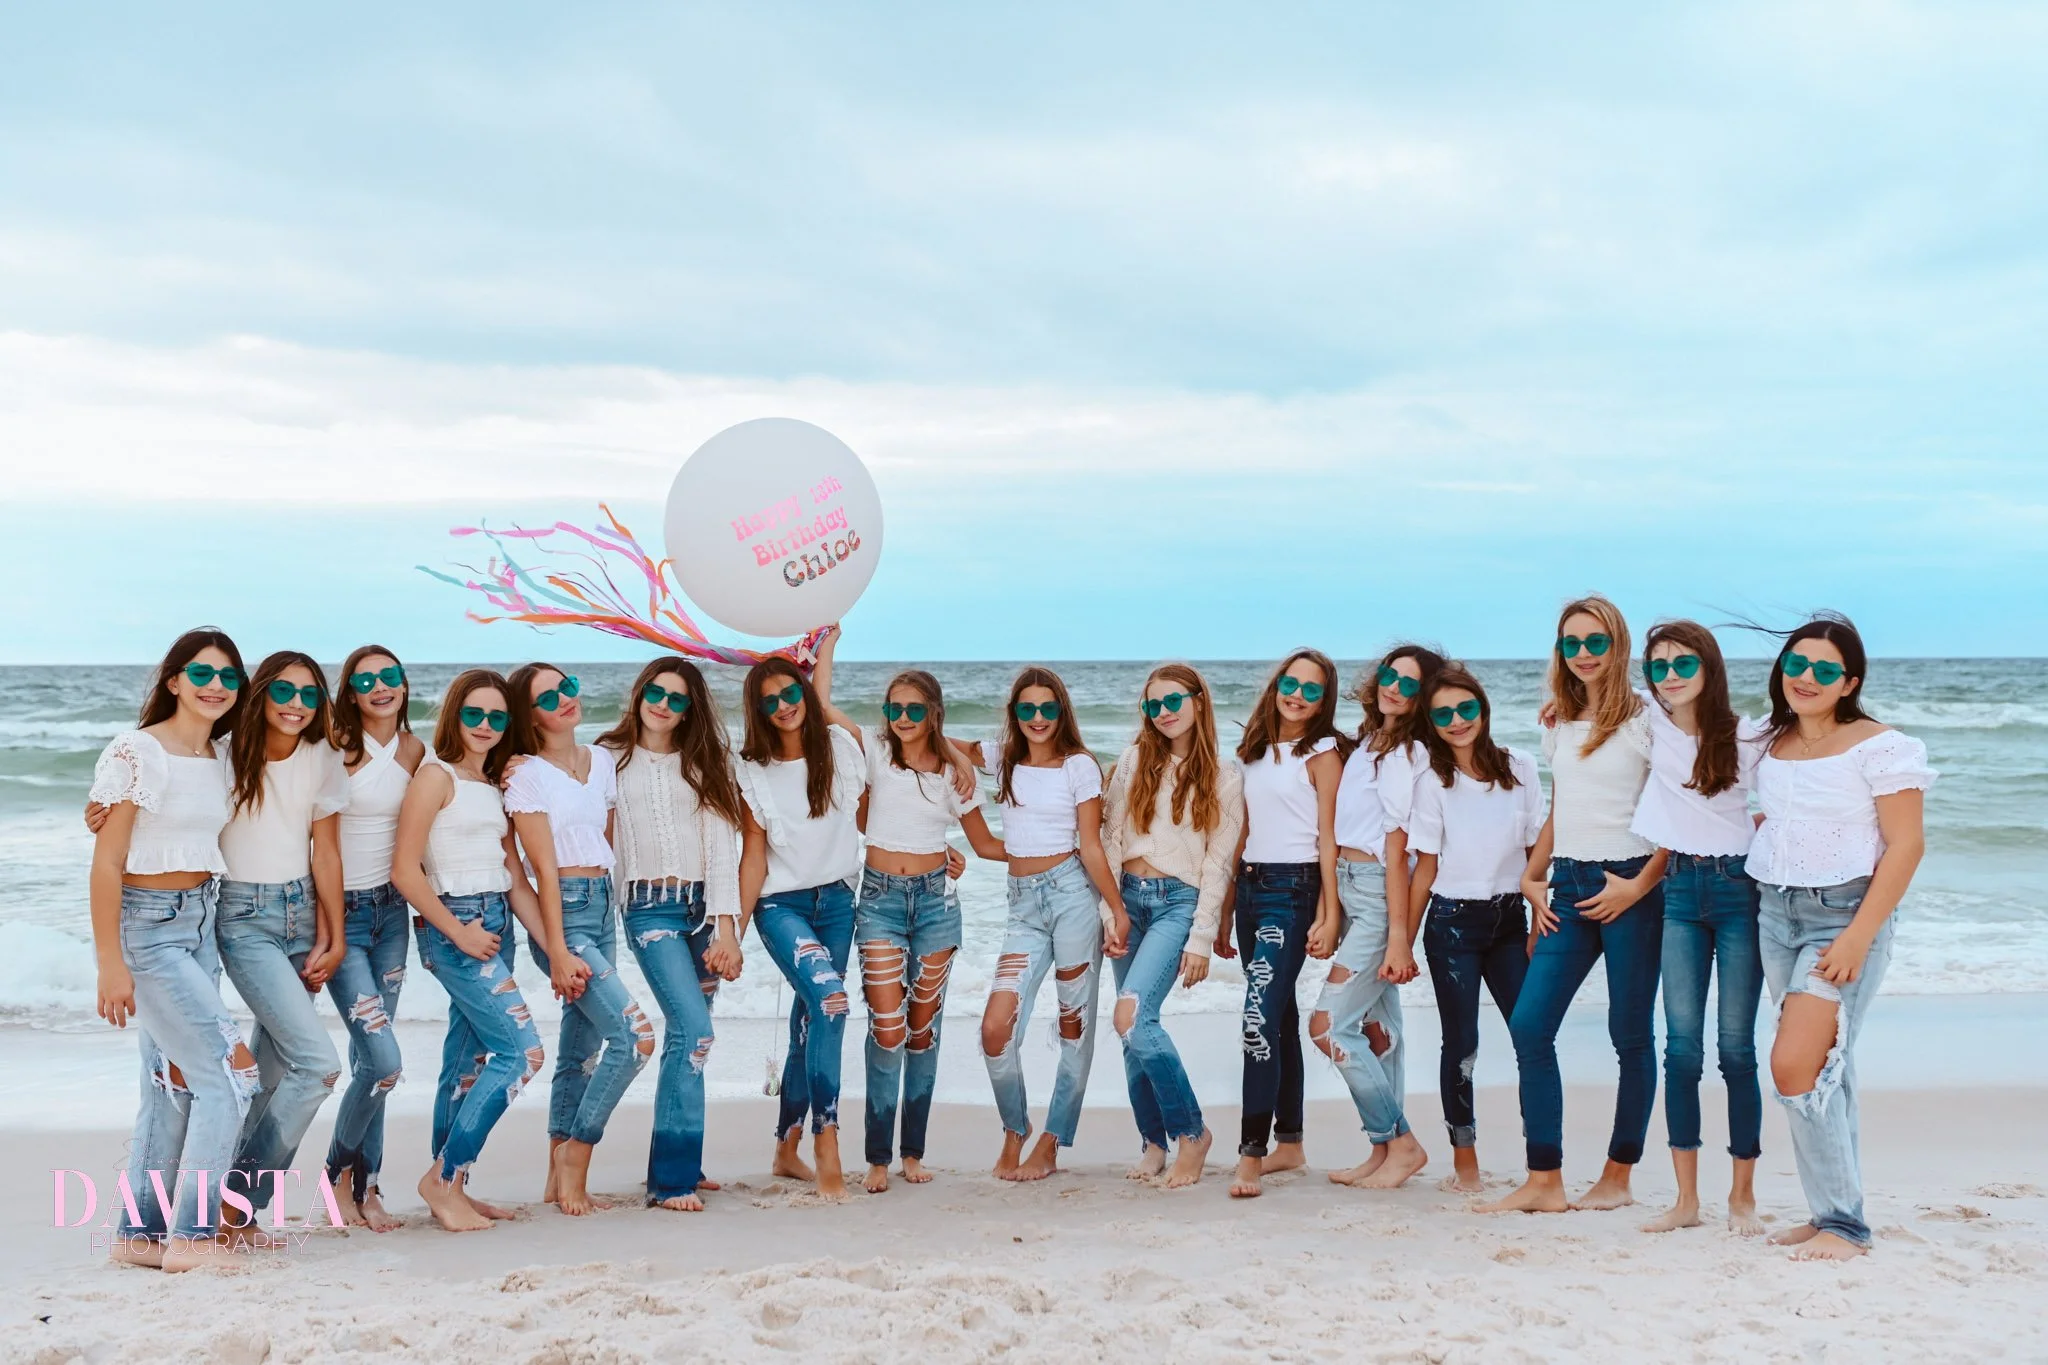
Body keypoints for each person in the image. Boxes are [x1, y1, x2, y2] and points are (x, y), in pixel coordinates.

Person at [1747, 615, 1933, 1261]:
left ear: (1849, 680)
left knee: (1796, 1063)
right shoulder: (1768, 740)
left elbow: (1907, 844)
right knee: (1830, 1068)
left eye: (1825, 669)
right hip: (1776, 915)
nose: (1807, 677)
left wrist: (1858, 935)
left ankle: (1845, 1227)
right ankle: (1834, 1212)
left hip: (1844, 919)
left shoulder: (1881, 745)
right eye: (1797, 663)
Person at [1484, 596, 1666, 1214]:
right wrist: (1532, 878)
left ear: (1619, 646)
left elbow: (1679, 814)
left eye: (1596, 642)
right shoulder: (1558, 719)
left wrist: (1639, 886)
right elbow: (1565, 805)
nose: (1584, 653)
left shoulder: (1650, 719)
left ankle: (1618, 1177)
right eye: (1572, 643)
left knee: (1630, 1035)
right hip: (1569, 881)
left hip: (1631, 883)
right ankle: (1545, 1179)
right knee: (1530, 1025)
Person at [88, 629, 258, 1271]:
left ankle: (141, 1234)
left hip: (199, 921)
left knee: (171, 1083)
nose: (216, 685)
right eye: (202, 672)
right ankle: (193, 1237)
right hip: (147, 929)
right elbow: (106, 863)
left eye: (228, 676)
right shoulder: (136, 751)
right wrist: (111, 962)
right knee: (233, 1075)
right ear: (174, 680)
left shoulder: (221, 756)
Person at [390, 670, 553, 1232]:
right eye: (474, 714)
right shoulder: (435, 778)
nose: (485, 725)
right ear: (454, 714)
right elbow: (404, 870)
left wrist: (551, 947)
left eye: (498, 717)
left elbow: (514, 877)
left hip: (495, 924)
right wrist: (457, 934)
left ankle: (452, 1184)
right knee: (522, 1053)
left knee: (466, 1063)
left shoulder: (490, 786)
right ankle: (444, 1177)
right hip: (455, 925)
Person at [1630, 621, 1770, 1236]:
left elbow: (1799, 779)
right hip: (1680, 891)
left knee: (1736, 1052)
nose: (1671, 675)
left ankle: (1743, 1198)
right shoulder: (1647, 723)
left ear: (1709, 666)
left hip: (1741, 891)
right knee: (1680, 1051)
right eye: (1658, 666)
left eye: (1682, 662)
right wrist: (1557, 705)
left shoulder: (1749, 735)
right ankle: (1686, 1201)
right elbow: (1588, 691)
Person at [961, 666, 1125, 1182]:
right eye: (1026, 708)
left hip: (1073, 895)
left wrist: (1116, 909)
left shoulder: (1079, 766)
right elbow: (930, 740)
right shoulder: (1001, 759)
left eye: (1046, 708)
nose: (1037, 717)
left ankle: (1052, 1140)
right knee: (995, 1027)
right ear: (1014, 714)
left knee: (1074, 1027)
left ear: (1061, 712)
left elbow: (1092, 846)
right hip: (1021, 908)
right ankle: (1015, 1128)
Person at [600, 657, 747, 1212]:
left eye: (677, 698)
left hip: (703, 913)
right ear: (639, 695)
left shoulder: (706, 762)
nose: (663, 703)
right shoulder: (606, 758)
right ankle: (670, 1181)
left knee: (692, 1039)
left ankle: (680, 1156)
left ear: (690, 709)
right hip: (648, 911)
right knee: (695, 1029)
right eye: (656, 693)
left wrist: (727, 927)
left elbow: (722, 850)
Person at [505, 661, 649, 1216]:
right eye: (548, 697)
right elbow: (540, 865)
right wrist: (557, 949)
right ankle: (576, 1156)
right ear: (529, 715)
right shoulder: (524, 775)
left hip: (601, 906)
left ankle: (552, 1175)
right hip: (560, 910)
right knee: (635, 1039)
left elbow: (602, 843)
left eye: (567, 687)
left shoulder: (603, 761)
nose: (565, 699)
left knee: (581, 1046)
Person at [854, 669, 999, 1193]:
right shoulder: (874, 749)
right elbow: (823, 709)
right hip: (879, 902)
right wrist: (828, 644)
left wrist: (1062, 850)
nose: (902, 719)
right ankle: (876, 1156)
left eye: (915, 710)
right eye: (895, 709)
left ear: (934, 712)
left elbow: (985, 845)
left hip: (937, 905)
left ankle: (911, 1153)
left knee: (921, 1031)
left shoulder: (955, 775)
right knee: (887, 1028)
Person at [1099, 663, 1241, 1188]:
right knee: (1128, 1029)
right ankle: (1153, 1141)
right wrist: (1109, 911)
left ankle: (1192, 1133)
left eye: (1173, 701)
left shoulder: (1225, 777)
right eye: (1152, 705)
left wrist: (1202, 939)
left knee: (1134, 1018)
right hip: (1127, 904)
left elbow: (1218, 864)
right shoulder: (1135, 760)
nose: (1163, 713)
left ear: (1199, 701)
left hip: (1177, 904)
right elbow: (1110, 841)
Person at [737, 627, 866, 1201]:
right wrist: (732, 935)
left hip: (838, 901)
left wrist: (938, 852)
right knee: (833, 1001)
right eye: (770, 701)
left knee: (811, 1020)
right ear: (757, 711)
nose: (784, 706)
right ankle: (827, 1139)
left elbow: (871, 819)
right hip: (782, 906)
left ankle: (785, 1148)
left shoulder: (840, 748)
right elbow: (753, 858)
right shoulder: (751, 771)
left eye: (791, 694)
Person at [1406, 664, 1545, 1194]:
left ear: (1483, 709)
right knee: (1461, 1044)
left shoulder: (1522, 767)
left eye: (1466, 708)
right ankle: (1466, 1165)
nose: (1457, 720)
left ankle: (1541, 1162)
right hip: (1451, 926)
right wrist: (1404, 939)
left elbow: (1536, 851)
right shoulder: (1433, 782)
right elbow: (1426, 867)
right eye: (1443, 714)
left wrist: (1538, 921)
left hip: (1512, 922)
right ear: (1432, 723)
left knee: (1530, 1037)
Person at [1316, 646, 1442, 1190]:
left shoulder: (1405, 754)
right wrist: (1331, 907)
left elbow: (1399, 852)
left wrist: (1399, 937)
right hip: (1352, 889)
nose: (1394, 687)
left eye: (1409, 684)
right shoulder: (1372, 740)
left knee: (1327, 1027)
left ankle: (1403, 1141)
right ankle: (1384, 1150)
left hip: (1377, 896)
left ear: (1423, 697)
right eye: (1390, 675)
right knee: (1378, 1030)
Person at [1226, 649, 1344, 1198]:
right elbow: (1240, 830)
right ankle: (1290, 1143)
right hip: (1251, 889)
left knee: (1257, 1017)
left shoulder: (1321, 753)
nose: (1297, 695)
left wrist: (1329, 910)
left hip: (1293, 892)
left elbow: (1328, 838)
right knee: (1278, 1015)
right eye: (1290, 684)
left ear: (1325, 701)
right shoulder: (1250, 752)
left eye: (1311, 689)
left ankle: (1251, 1153)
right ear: (1276, 686)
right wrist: (1226, 906)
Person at [324, 645, 425, 1231]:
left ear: (404, 685)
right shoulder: (336, 748)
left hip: (394, 916)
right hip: (346, 917)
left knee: (372, 1057)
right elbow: (323, 844)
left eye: (390, 676)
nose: (380, 687)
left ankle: (369, 1184)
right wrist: (330, 927)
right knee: (383, 1059)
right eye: (367, 681)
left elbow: (467, 781)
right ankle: (337, 1171)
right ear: (353, 693)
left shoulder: (416, 750)